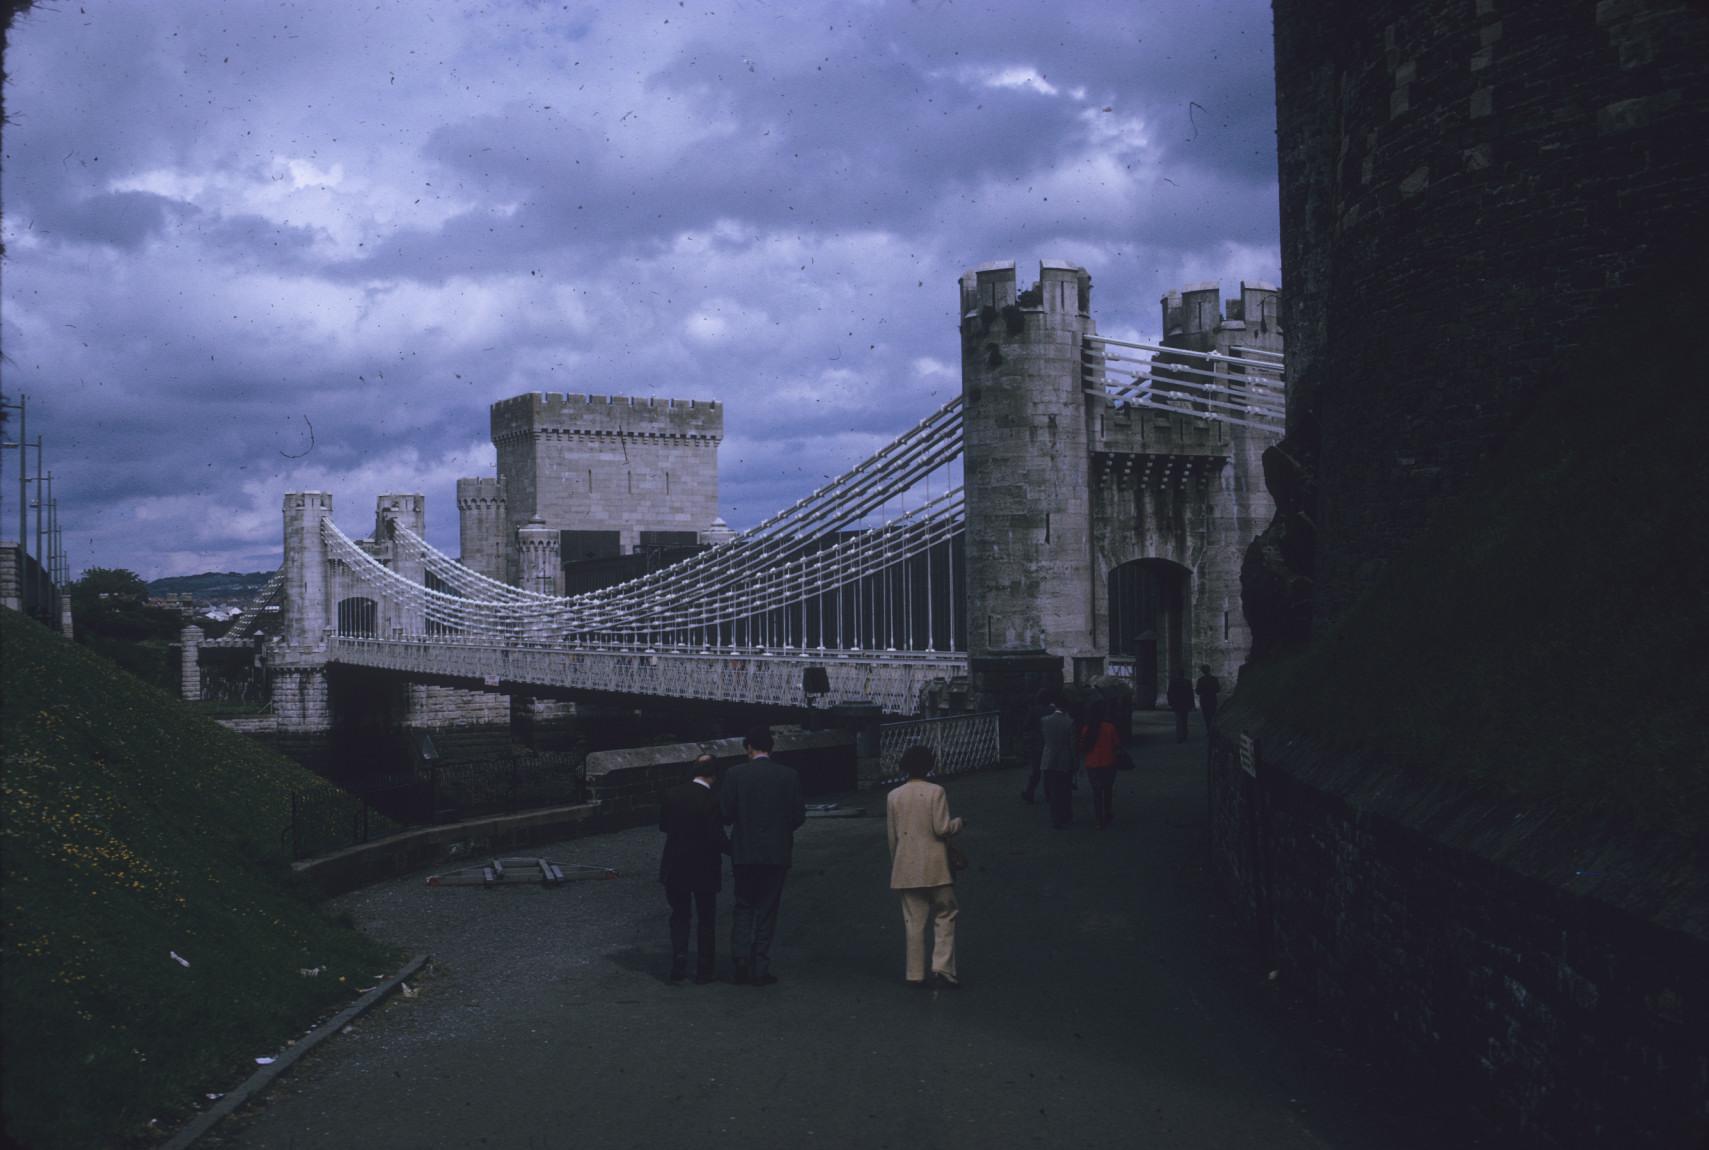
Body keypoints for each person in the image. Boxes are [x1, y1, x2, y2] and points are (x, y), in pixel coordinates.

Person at [718, 725, 805, 986]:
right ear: (771, 748)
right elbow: (798, 816)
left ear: (749, 748)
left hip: (744, 851)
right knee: (767, 909)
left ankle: (741, 960)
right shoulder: (788, 776)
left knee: (744, 906)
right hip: (776, 852)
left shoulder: (735, 774)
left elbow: (724, 813)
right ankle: (760, 965)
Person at [886, 745, 963, 989]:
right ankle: (942, 968)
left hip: (906, 865)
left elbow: (892, 837)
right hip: (936, 866)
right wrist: (958, 824)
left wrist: (896, 863)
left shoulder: (893, 795)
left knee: (913, 921)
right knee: (945, 913)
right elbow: (941, 828)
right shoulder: (936, 792)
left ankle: (914, 973)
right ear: (929, 765)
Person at [658, 754, 729, 983]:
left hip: (676, 863)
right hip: (704, 865)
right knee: (706, 918)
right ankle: (704, 969)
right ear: (714, 776)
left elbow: (664, 826)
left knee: (680, 915)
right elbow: (717, 838)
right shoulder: (711, 800)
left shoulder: (672, 794)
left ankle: (679, 958)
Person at [1078, 697, 1120, 829]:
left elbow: (1082, 746)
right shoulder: (1110, 727)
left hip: (1092, 764)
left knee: (1096, 793)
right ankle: (1107, 811)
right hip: (1109, 762)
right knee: (1107, 790)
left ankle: (1098, 820)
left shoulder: (1087, 729)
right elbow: (1116, 745)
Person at [1038, 691, 1077, 829]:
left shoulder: (1045, 721)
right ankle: (1066, 815)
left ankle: (1056, 818)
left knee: (1054, 791)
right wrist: (1075, 762)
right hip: (1064, 759)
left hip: (1048, 758)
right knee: (1065, 791)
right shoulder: (1070, 722)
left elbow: (1044, 739)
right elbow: (1072, 745)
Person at [1019, 688, 1049, 804]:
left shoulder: (1034, 710)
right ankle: (1049, 794)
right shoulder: (1052, 709)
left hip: (1036, 743)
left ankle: (1030, 792)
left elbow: (1026, 726)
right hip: (1049, 743)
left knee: (1036, 771)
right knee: (1048, 771)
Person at [1166, 672, 1195, 742]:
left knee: (1178, 720)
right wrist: (1192, 704)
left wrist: (1170, 702)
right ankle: (1184, 734)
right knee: (1185, 719)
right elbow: (1191, 693)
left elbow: (1169, 693)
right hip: (1185, 703)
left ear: (1177, 674)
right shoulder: (1187, 682)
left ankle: (1180, 736)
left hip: (1177, 703)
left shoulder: (1173, 682)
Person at [1195, 664, 1221, 737]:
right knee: (1213, 716)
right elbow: (1218, 689)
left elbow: (1197, 691)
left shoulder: (1200, 680)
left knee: (1207, 717)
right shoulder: (1214, 679)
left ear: (1202, 671)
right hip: (1212, 699)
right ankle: (1212, 731)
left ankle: (1209, 731)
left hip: (1204, 700)